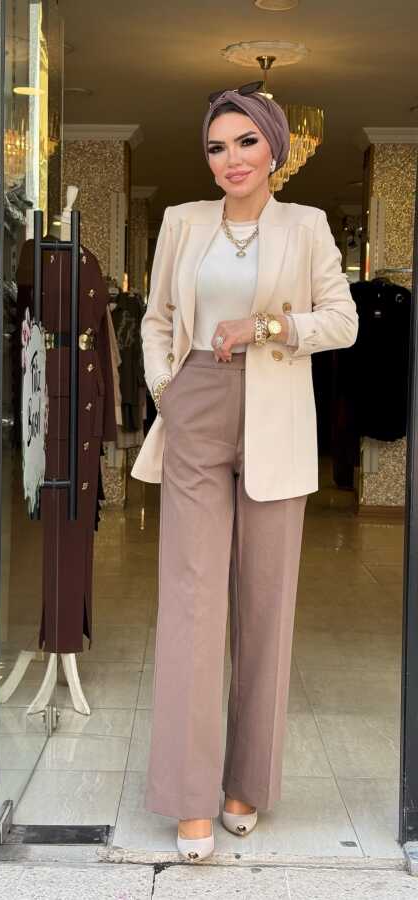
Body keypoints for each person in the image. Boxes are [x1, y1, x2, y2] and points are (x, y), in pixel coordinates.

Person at [130, 82, 359, 862]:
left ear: (274, 148)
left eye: (246, 142)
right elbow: (158, 317)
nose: (231, 159)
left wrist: (265, 324)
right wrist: (168, 388)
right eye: (217, 146)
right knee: (192, 601)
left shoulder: (307, 225)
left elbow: (342, 320)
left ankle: (245, 784)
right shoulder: (181, 221)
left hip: (277, 412)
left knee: (265, 603)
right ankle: (188, 796)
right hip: (196, 400)